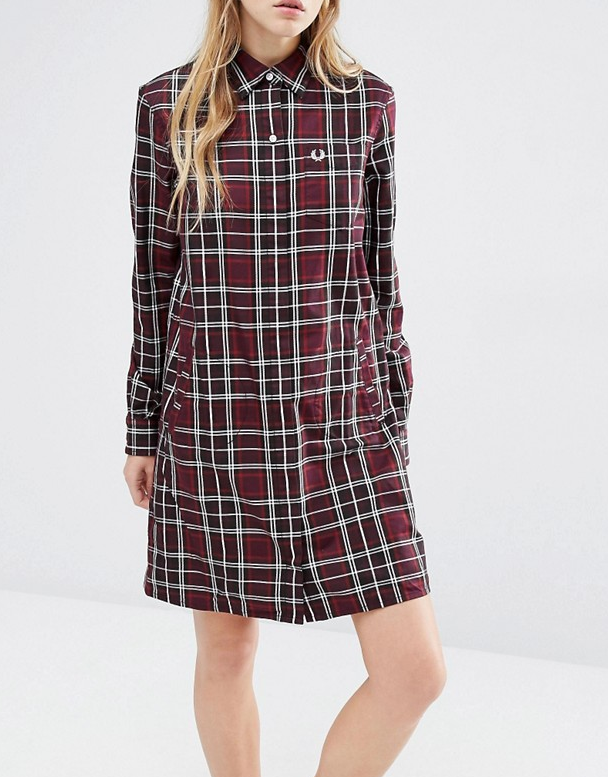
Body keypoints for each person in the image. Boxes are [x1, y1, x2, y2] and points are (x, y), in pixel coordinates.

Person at [122, 1, 447, 774]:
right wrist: (142, 427)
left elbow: (378, 271)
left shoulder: (367, 102)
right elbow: (154, 280)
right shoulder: (168, 105)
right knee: (227, 652)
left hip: (343, 418)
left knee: (414, 671)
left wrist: (391, 411)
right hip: (216, 415)